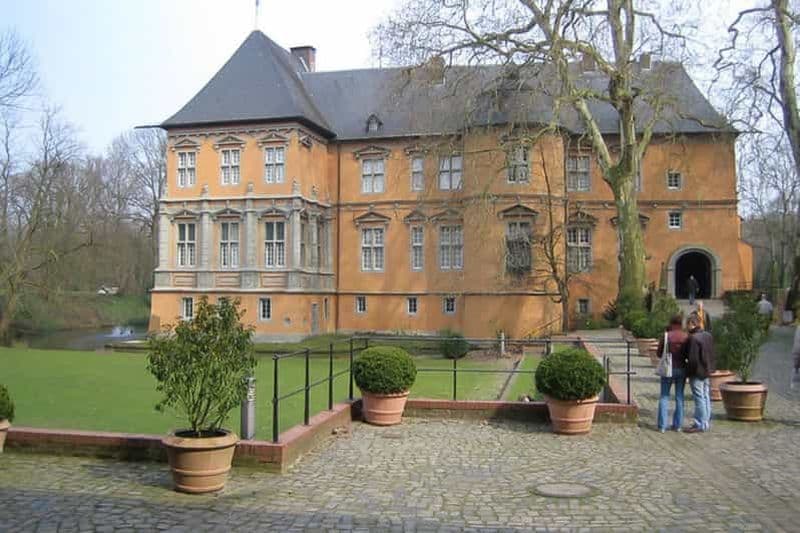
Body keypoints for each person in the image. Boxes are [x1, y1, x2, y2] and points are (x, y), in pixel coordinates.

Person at [656, 315, 688, 433]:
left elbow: (659, 353)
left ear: (671, 323)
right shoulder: (686, 336)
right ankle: (678, 425)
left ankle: (662, 426)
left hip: (668, 368)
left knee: (664, 396)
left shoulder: (666, 336)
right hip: (682, 368)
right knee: (679, 396)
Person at [683, 314, 715, 433]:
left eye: (688, 324)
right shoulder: (708, 335)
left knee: (699, 398)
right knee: (706, 396)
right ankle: (705, 421)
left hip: (697, 372)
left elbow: (692, 359)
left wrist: (687, 374)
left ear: (692, 324)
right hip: (707, 370)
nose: (686, 327)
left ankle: (700, 423)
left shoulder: (693, 338)